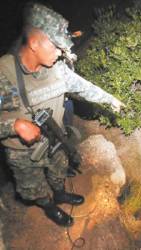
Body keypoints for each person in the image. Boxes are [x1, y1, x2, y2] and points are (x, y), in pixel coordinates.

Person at [0, 2, 124, 227]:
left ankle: (59, 194)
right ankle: (49, 207)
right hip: (23, 153)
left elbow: (83, 87)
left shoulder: (57, 69)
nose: (60, 54)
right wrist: (14, 125)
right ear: (35, 43)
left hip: (55, 139)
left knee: (58, 171)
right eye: (57, 47)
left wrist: (110, 100)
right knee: (34, 188)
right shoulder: (4, 75)